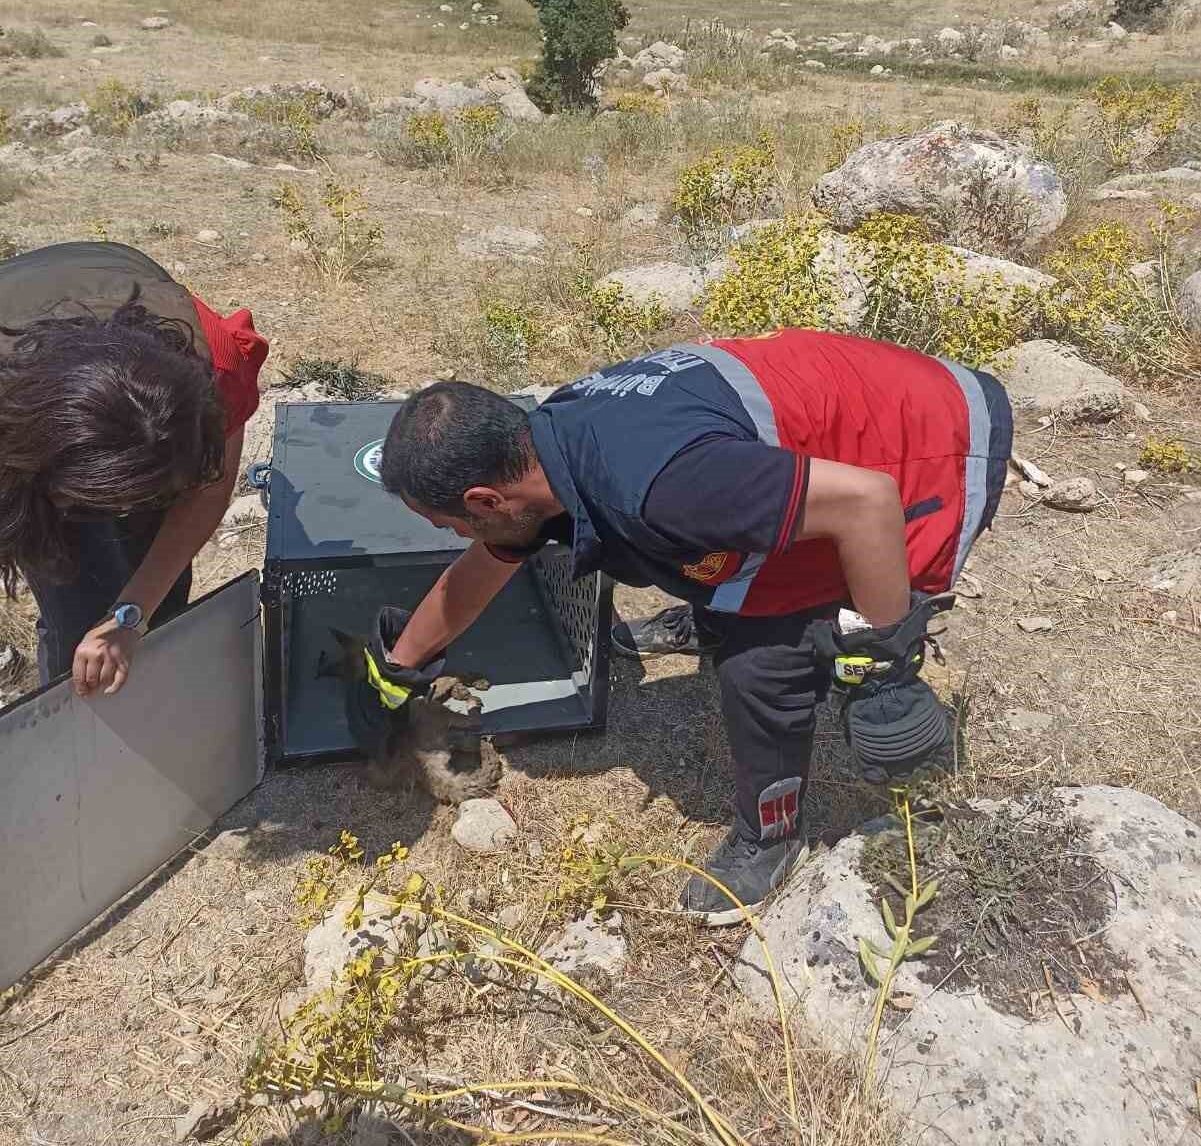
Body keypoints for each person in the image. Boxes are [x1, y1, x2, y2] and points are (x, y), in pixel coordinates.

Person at [358, 329, 1011, 924]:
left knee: (760, 666)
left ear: (484, 501)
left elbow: (867, 503)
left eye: (450, 524)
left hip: (931, 442)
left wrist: (883, 665)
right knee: (707, 555)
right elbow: (485, 564)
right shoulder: (547, 443)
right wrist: (399, 665)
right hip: (836, 422)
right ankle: (720, 607)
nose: (453, 536)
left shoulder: (663, 487)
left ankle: (769, 834)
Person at [0, 241, 268, 697]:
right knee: (75, 612)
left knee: (154, 601)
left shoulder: (214, 373)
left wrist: (133, 613)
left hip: (107, 280)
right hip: (26, 368)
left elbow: (208, 490)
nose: (126, 510)